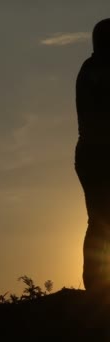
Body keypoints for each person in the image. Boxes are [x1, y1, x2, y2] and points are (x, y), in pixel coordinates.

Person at [76, 18, 110, 293]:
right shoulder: (98, 72)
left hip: (91, 155)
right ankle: (96, 287)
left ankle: (96, 287)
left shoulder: (91, 69)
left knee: (99, 220)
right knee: (101, 220)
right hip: (98, 155)